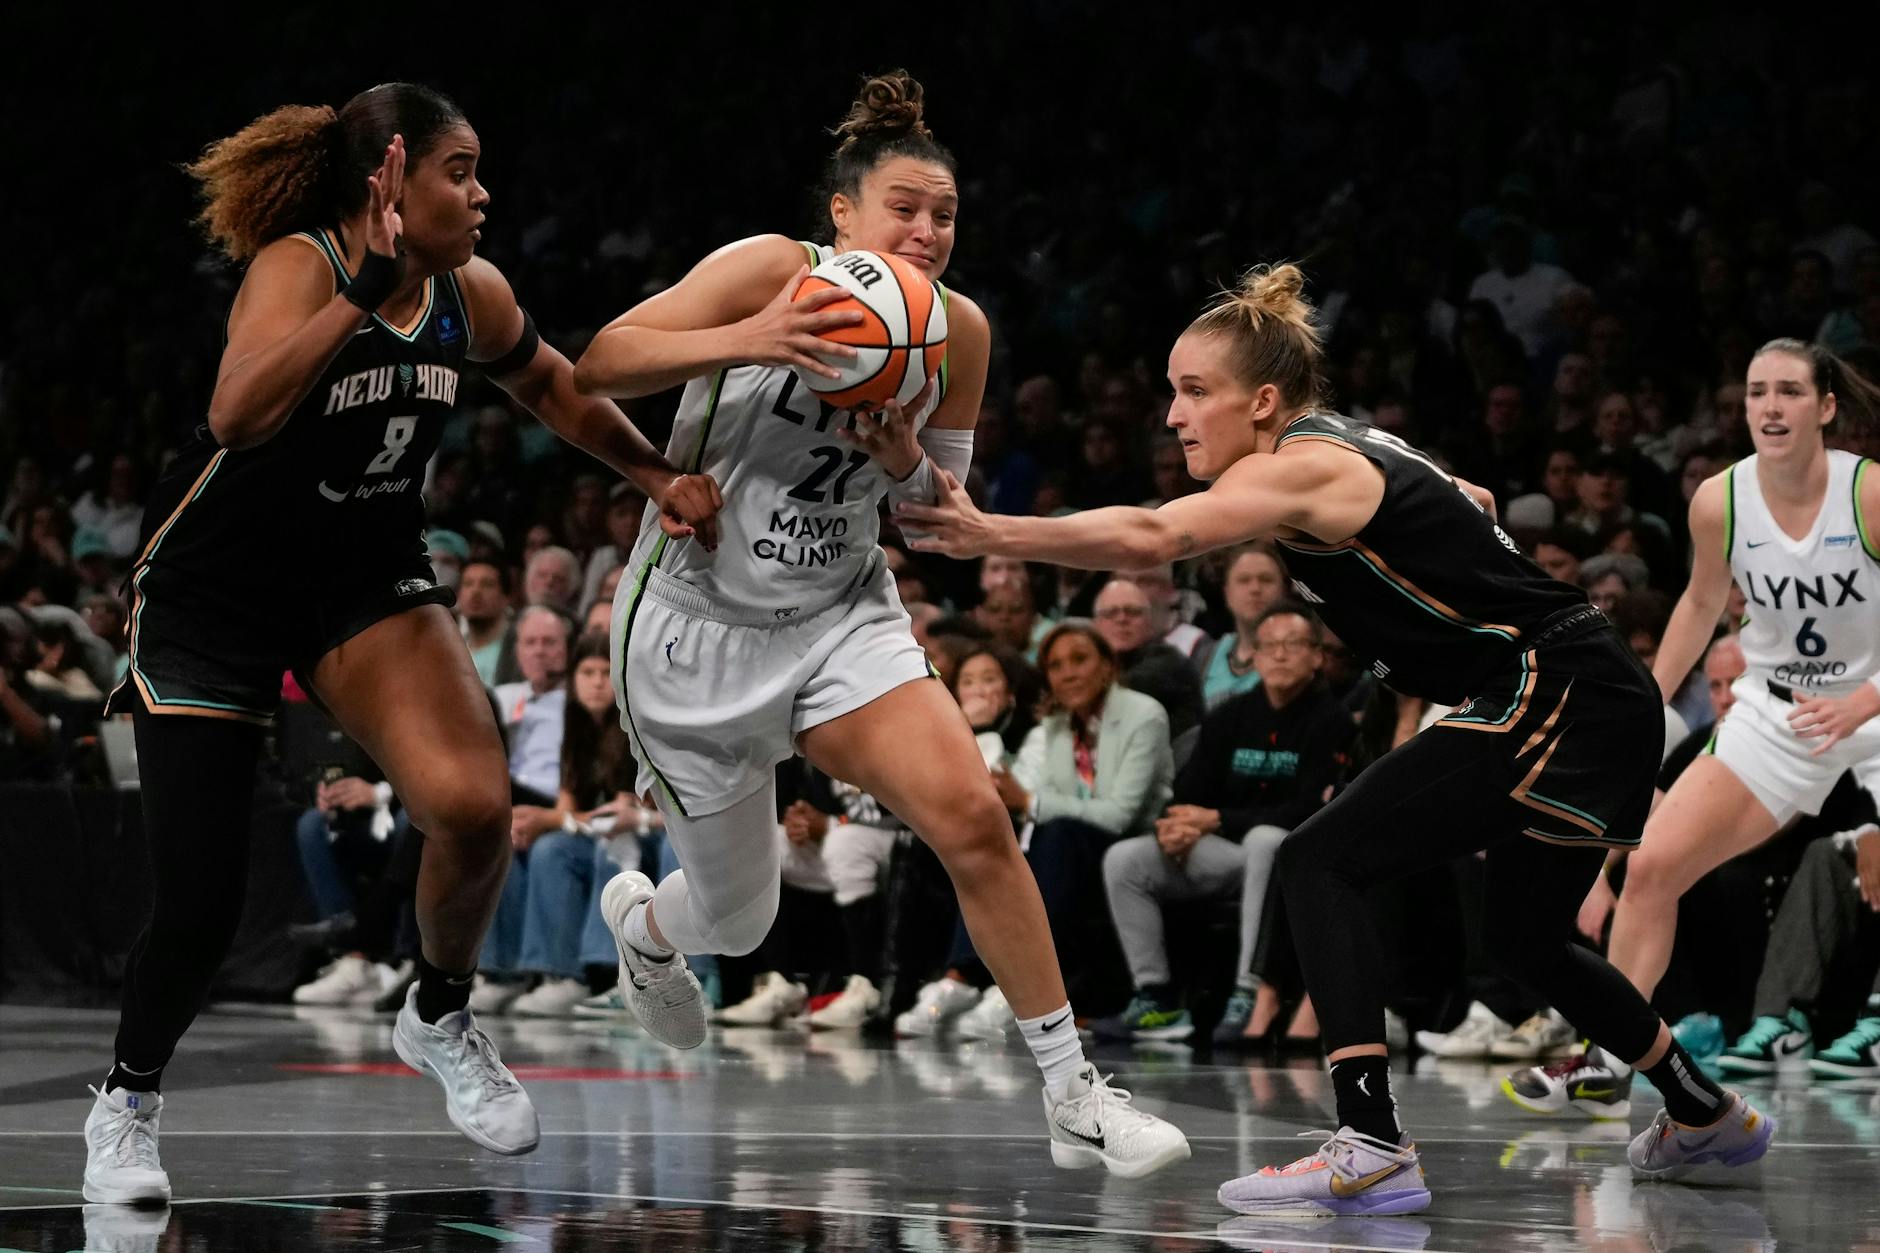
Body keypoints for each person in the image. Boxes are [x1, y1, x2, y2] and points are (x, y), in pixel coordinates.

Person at [899, 262, 1774, 1217]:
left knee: (1317, 861)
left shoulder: (1304, 464)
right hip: (1585, 693)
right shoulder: (1343, 448)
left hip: (1549, 685)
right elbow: (1470, 495)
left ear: (1263, 400)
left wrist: (989, 532)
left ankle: (1371, 1142)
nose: (1174, 416)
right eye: (1169, 392)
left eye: (1196, 392)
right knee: (1528, 939)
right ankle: (1704, 1112)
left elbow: (1153, 536)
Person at [81, 83, 723, 1204]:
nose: (481, 194)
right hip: (209, 593)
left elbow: (556, 390)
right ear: (387, 178)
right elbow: (237, 415)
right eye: (459, 171)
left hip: (358, 576)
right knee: (200, 902)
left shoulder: (467, 293)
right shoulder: (303, 266)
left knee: (474, 805)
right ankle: (126, 1103)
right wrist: (366, 291)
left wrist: (657, 473)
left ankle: (435, 1009)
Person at [571, 69, 1187, 1176]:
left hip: (838, 614)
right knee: (739, 918)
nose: (928, 230)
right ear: (843, 215)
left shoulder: (958, 332)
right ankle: (646, 931)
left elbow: (930, 524)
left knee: (970, 816)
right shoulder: (771, 271)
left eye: (945, 213)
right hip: (692, 624)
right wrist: (753, 336)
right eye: (904, 206)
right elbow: (601, 361)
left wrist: (900, 454)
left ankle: (1070, 1089)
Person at [1507, 338, 1880, 1095]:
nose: (1770, 406)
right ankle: (1612, 1054)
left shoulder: (1868, 493)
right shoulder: (1720, 498)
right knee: (1650, 867)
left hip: (1873, 699)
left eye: (1790, 392)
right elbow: (1702, 603)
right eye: (1756, 392)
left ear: (1826, 407)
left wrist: (1865, 700)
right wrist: (1642, 699)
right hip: (1778, 711)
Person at [1096, 602, 1353, 1044]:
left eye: (1294, 645)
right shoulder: (1231, 715)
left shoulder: (1333, 722)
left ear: (1317, 656)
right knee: (1125, 859)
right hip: (1224, 854)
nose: (1280, 654)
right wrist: (1176, 825)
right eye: (1269, 645)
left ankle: (1248, 991)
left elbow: (1310, 809)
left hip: (1283, 865)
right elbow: (1190, 790)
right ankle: (1153, 995)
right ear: (1252, 655)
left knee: (1267, 839)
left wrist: (1216, 819)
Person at [1194, 542, 1287, 708]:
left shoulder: (1299, 653)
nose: (1255, 589)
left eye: (1266, 580)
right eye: (1244, 580)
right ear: (1227, 592)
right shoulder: (1206, 655)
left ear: (1283, 590)